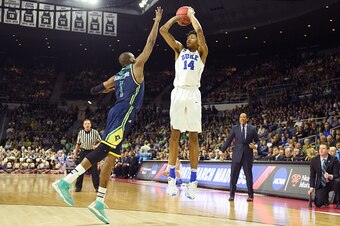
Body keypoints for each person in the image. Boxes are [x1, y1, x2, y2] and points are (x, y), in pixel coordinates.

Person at [52, 7, 163, 224]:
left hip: (118, 112)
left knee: (111, 160)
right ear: (132, 60)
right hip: (123, 113)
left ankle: (99, 202)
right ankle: (66, 181)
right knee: (102, 151)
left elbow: (95, 90)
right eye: (135, 56)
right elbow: (150, 44)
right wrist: (157, 21)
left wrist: (107, 89)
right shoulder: (136, 67)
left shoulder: (117, 76)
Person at [159, 7, 208, 200]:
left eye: (192, 38)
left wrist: (192, 16)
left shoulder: (202, 52)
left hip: (193, 93)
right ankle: (172, 179)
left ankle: (193, 183)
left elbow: (201, 32)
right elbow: (163, 31)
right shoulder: (179, 49)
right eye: (188, 38)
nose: (189, 39)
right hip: (178, 92)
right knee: (174, 135)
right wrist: (176, 18)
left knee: (193, 137)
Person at [221, 113, 259, 202]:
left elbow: (258, 140)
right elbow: (229, 140)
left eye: (244, 117)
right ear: (239, 119)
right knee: (233, 176)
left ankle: (250, 195)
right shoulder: (235, 128)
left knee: (248, 176)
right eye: (241, 117)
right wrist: (222, 150)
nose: (242, 118)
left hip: (247, 155)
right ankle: (231, 195)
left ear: (247, 119)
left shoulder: (252, 128)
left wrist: (255, 146)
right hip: (236, 155)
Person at [73, 119, 101, 192]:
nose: (87, 125)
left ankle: (97, 187)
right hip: (83, 152)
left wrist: (97, 145)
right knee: (80, 169)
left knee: (95, 170)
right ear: (83, 125)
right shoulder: (81, 132)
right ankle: (78, 187)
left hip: (92, 152)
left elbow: (101, 141)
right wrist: (75, 153)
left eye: (88, 123)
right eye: (86, 124)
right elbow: (78, 144)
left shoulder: (95, 132)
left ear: (90, 125)